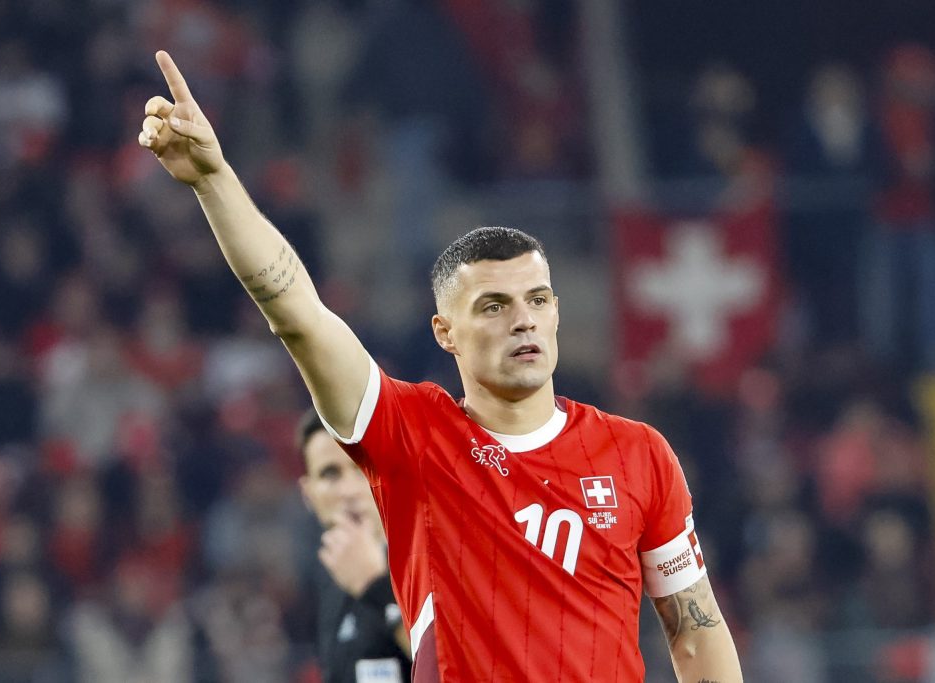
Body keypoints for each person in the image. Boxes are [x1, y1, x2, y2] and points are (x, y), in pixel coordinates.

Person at [138, 50, 742, 682]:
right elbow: (299, 316)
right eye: (494, 306)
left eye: (538, 300)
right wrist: (214, 180)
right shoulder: (414, 436)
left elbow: (695, 632)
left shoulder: (639, 454)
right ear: (445, 332)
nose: (523, 320)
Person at [299, 409, 412, 682]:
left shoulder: (434, 559)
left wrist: (376, 586)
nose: (348, 491)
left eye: (363, 468)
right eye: (330, 474)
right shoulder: (331, 573)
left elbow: (464, 667)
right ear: (308, 493)